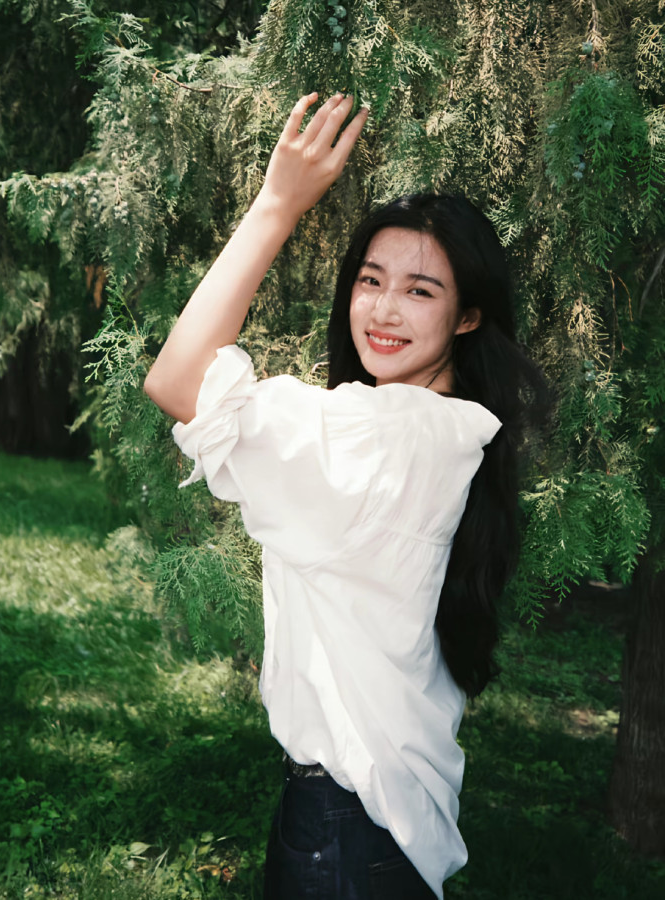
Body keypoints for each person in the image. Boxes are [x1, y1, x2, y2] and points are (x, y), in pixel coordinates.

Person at [145, 92, 548, 900]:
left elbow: (177, 381)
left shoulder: (380, 437)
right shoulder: (449, 433)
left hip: (344, 829)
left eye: (420, 291)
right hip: (385, 827)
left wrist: (276, 205)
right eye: (369, 280)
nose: (383, 310)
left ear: (468, 316)